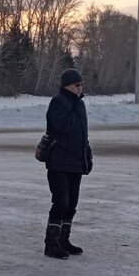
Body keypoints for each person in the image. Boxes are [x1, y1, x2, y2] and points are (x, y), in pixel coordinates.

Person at [43, 67, 92, 259]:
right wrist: (75, 107)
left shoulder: (77, 104)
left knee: (71, 204)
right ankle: (51, 244)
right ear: (67, 86)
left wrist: (87, 156)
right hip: (58, 162)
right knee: (60, 203)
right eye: (77, 85)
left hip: (75, 162)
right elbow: (63, 125)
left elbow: (82, 135)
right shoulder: (58, 102)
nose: (80, 88)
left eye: (81, 85)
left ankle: (64, 240)